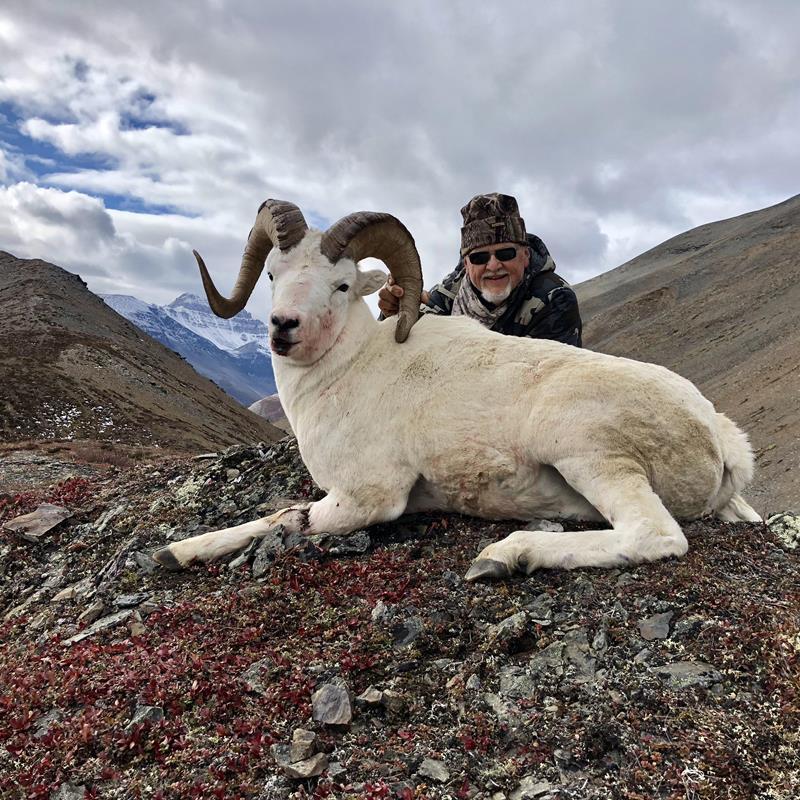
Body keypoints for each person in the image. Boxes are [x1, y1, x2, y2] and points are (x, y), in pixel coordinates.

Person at [378, 192, 582, 346]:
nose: (493, 266)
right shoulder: (451, 290)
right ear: (466, 264)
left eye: (505, 253)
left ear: (525, 256)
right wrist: (394, 311)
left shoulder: (555, 299)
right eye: (479, 257)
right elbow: (410, 339)